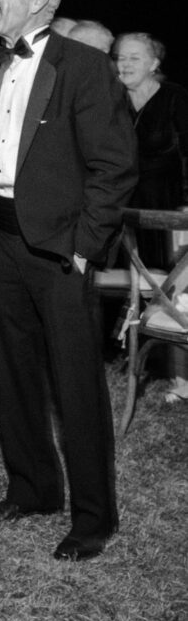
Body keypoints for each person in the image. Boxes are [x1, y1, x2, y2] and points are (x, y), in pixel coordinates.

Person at [0, 0, 137, 562]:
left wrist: (84, 248)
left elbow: (114, 166)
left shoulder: (82, 66)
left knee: (76, 383)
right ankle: (32, 490)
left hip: (59, 251)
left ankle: (93, 518)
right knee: (12, 373)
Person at [114, 32, 188, 401]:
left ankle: (178, 375)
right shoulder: (112, 99)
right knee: (129, 281)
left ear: (155, 63)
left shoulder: (175, 97)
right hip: (124, 207)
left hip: (169, 206)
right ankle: (127, 353)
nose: (124, 64)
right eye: (120, 58)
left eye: (134, 58)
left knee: (173, 286)